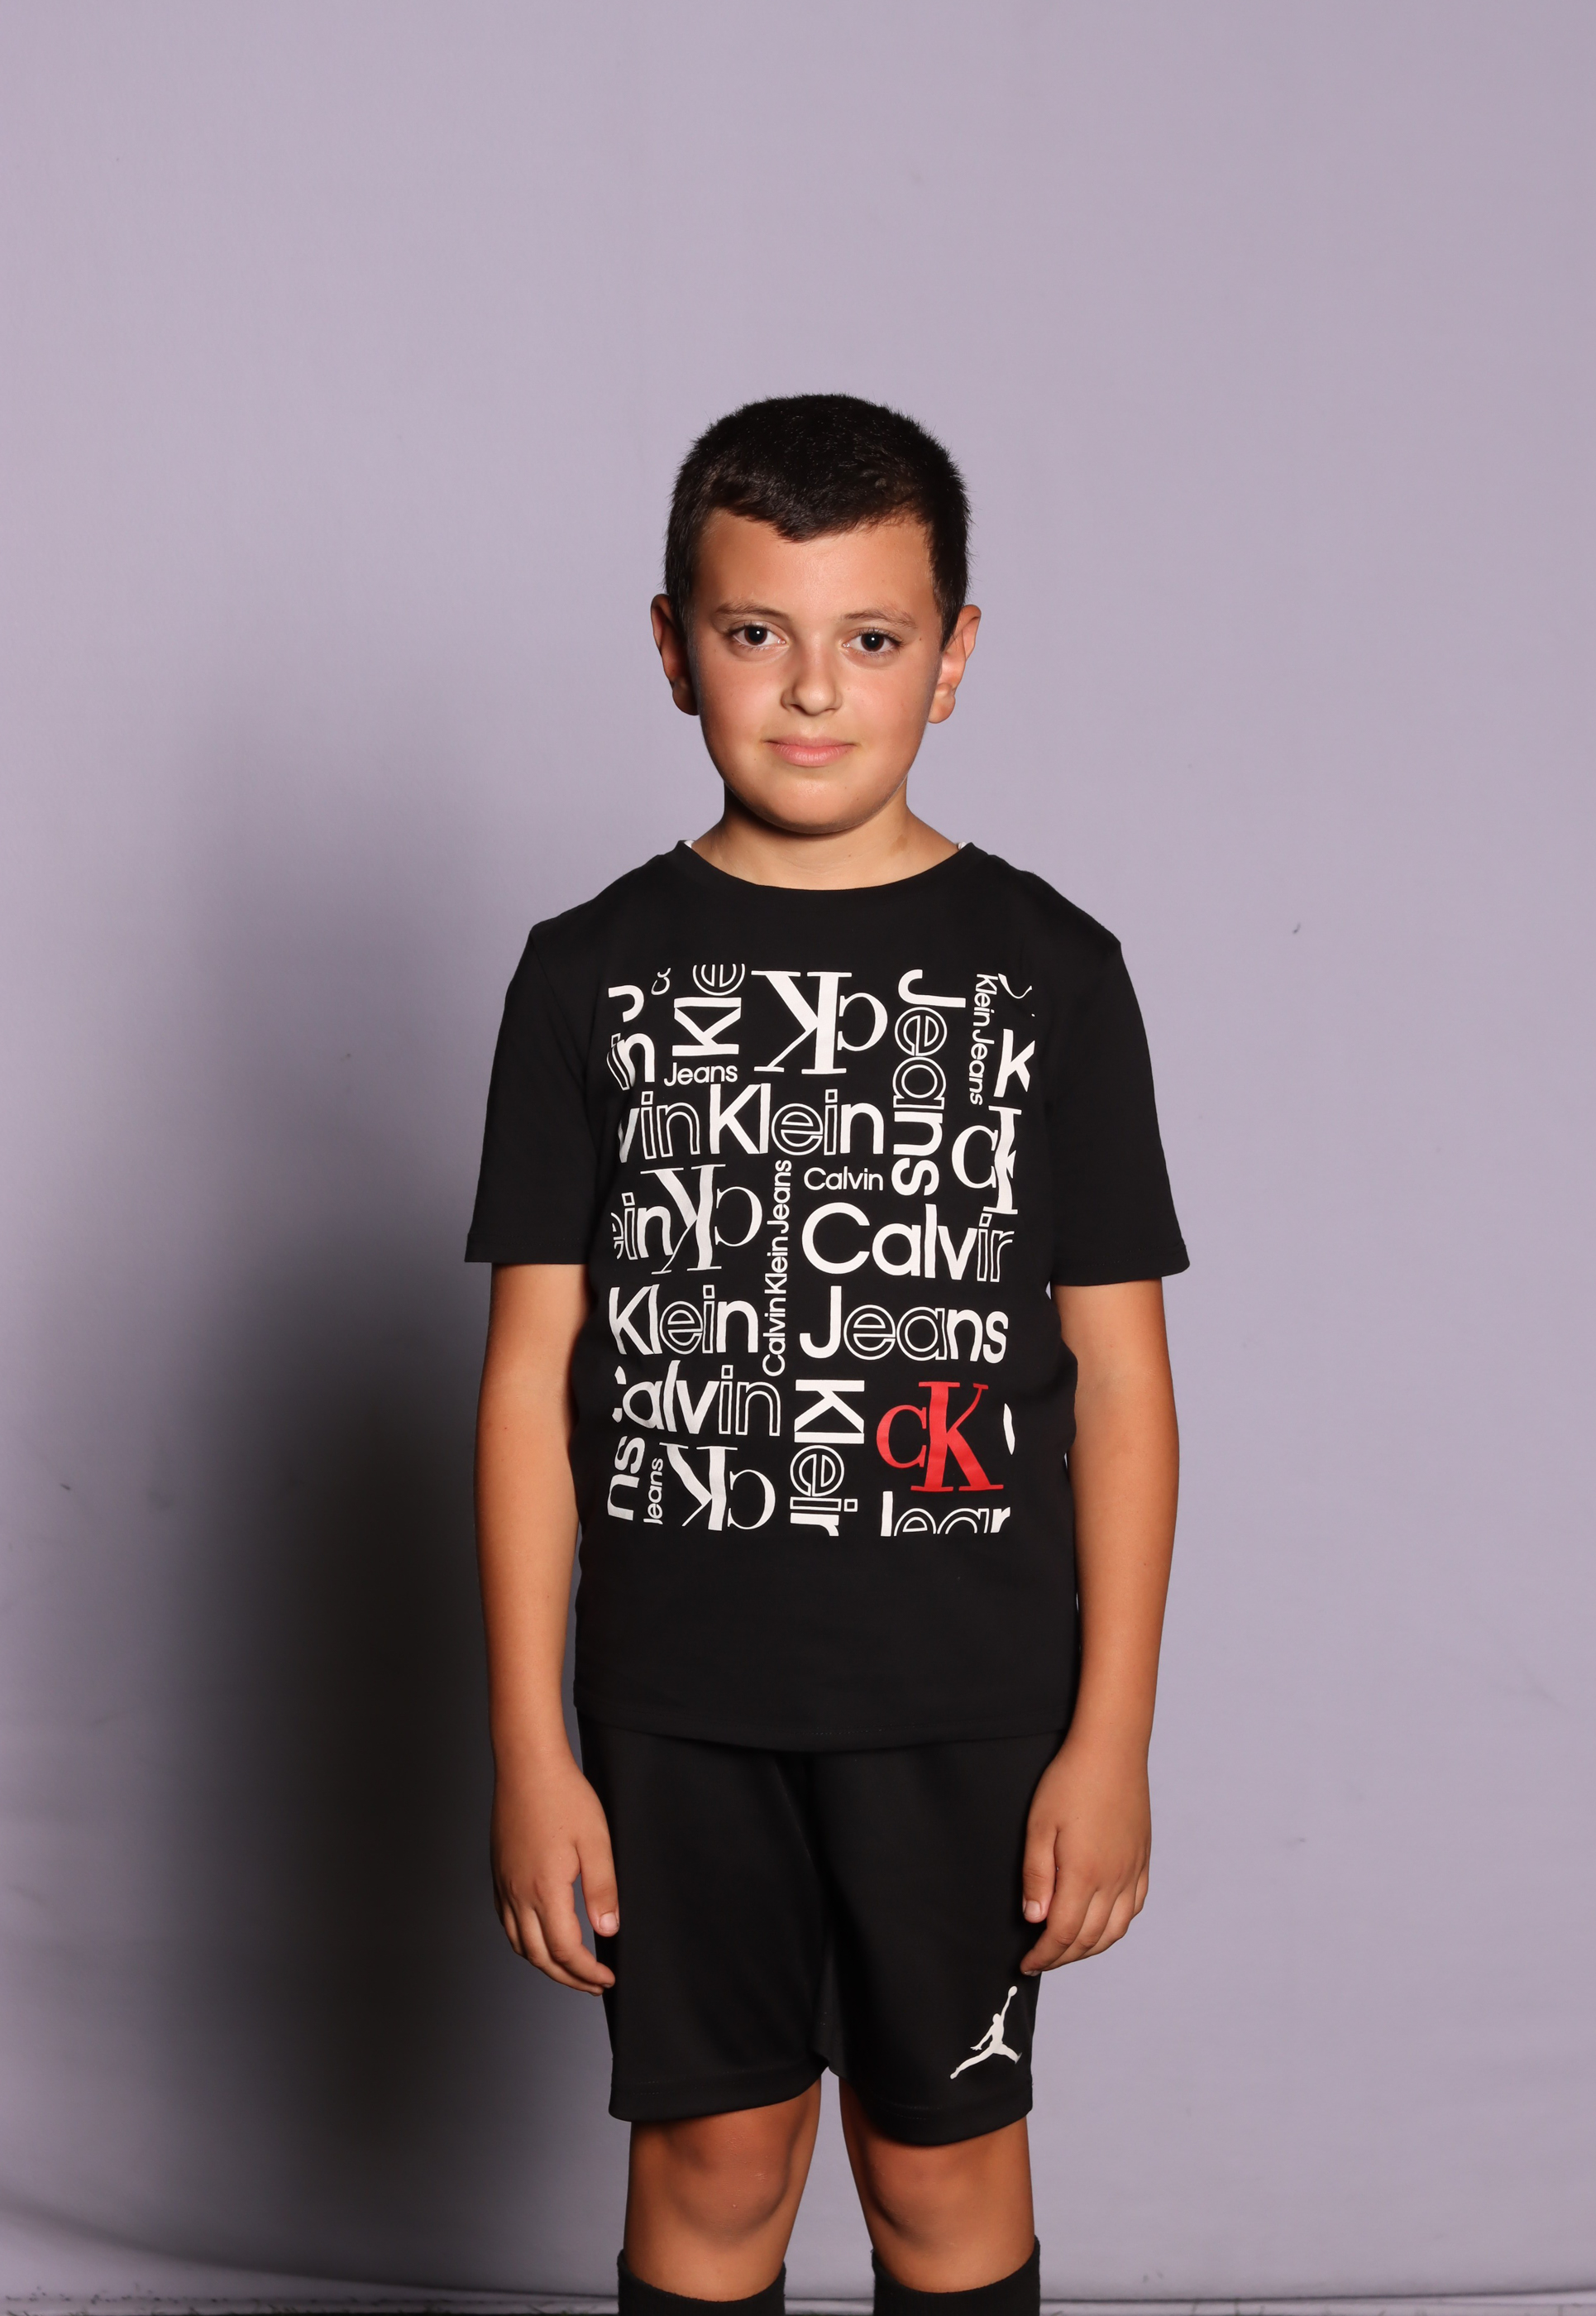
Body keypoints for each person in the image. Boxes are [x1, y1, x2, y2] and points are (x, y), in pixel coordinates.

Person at [466, 395, 1187, 2316]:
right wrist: (531, 1742)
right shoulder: (587, 973)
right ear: (671, 644)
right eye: (753, 631)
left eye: (870, 636)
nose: (810, 690)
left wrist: (1109, 1733)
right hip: (673, 1706)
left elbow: (1119, 1384)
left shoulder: (1050, 973)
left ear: (952, 655)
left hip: (966, 1705)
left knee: (942, 2172)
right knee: (712, 2162)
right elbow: (531, 1381)